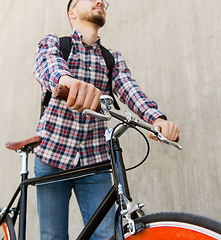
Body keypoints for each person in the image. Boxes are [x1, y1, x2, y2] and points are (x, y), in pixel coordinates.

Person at [32, 0, 180, 239]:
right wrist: (65, 81)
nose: (100, 1)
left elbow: (130, 89)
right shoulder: (56, 44)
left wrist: (157, 119)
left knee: (106, 234)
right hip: (52, 155)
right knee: (52, 235)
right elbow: (47, 64)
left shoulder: (112, 59)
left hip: (94, 161)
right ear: (72, 12)